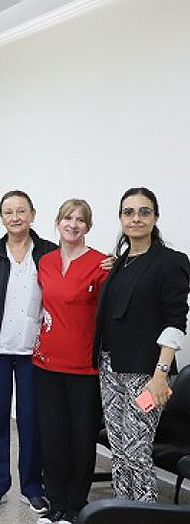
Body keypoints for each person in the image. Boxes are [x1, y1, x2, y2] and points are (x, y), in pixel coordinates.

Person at [94, 187, 189, 502]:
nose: (136, 218)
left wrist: (161, 375)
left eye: (144, 212)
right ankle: (123, 509)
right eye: (129, 212)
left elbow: (175, 321)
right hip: (111, 368)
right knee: (120, 450)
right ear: (121, 218)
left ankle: (146, 512)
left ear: (155, 217)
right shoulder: (120, 263)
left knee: (137, 451)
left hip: (147, 373)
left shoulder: (171, 262)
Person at [0, 190, 55, 514]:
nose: (16, 217)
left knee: (32, 420)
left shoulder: (49, 252)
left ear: (32, 214)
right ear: (1, 217)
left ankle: (32, 486)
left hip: (35, 351)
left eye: (21, 211)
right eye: (9, 212)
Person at [33, 199, 108, 524]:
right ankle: (56, 503)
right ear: (58, 222)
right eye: (68, 218)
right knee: (52, 437)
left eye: (80, 220)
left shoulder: (101, 264)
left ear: (88, 226)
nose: (73, 224)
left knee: (81, 439)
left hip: (84, 368)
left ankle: (76, 506)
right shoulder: (45, 261)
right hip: (46, 365)